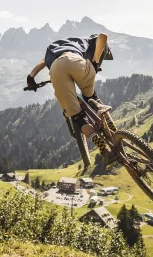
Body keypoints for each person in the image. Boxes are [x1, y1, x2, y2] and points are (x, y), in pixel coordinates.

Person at [26, 32, 114, 164]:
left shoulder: (59, 45)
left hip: (56, 67)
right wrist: (95, 62)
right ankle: (113, 129)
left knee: (77, 117)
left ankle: (102, 147)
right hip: (75, 61)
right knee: (91, 97)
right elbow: (103, 36)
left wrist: (31, 77)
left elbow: (44, 61)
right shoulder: (90, 40)